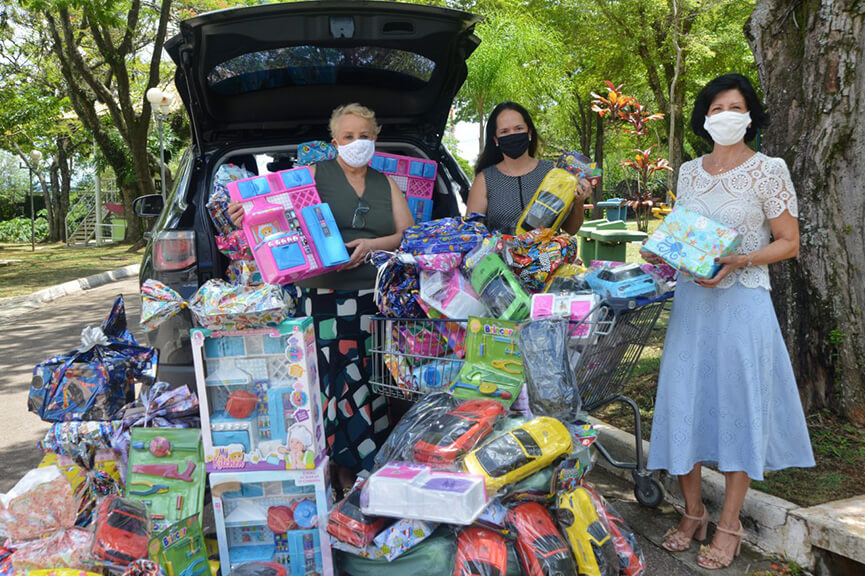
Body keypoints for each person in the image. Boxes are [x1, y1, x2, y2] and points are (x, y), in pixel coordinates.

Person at [641, 74, 814, 570]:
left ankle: (730, 524)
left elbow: (789, 241)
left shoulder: (769, 170)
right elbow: (681, 232)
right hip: (693, 306)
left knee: (740, 407)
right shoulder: (690, 172)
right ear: (705, 116)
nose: (725, 115)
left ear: (751, 115)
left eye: (735, 106)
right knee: (684, 402)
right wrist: (660, 248)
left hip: (743, 306)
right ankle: (692, 513)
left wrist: (741, 260)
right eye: (716, 107)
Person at [229, 103, 414, 488]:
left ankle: (367, 465)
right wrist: (243, 212)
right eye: (348, 137)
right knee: (331, 383)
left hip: (373, 300)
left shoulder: (386, 183)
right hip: (323, 297)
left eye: (364, 136)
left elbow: (407, 235)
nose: (357, 143)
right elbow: (272, 209)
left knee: (370, 382)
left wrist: (372, 244)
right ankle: (339, 467)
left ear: (375, 138)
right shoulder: (313, 175)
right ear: (335, 142)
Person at [466, 101, 593, 235]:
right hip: (500, 255)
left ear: (529, 132)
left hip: (547, 255)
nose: (512, 135)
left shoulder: (554, 172)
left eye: (518, 128)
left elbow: (571, 230)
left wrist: (579, 203)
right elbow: (472, 234)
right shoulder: (485, 180)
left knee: (546, 257)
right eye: (504, 131)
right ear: (496, 139)